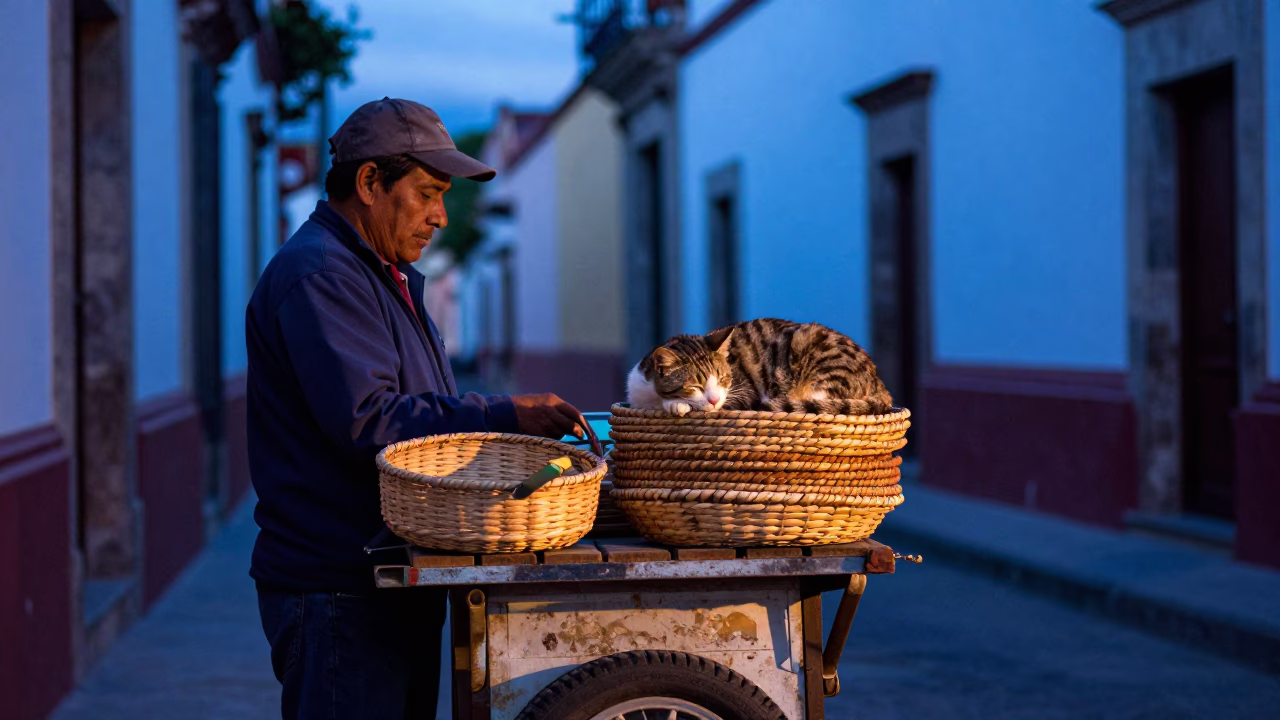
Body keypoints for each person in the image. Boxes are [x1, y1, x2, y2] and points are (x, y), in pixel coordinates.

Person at [246, 97, 584, 719]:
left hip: (381, 580)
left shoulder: (382, 273)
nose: (441, 216)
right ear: (371, 182)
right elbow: (370, 421)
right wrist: (504, 414)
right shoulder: (322, 274)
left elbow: (426, 407)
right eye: (428, 192)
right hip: (338, 589)